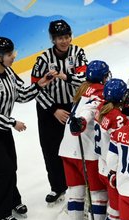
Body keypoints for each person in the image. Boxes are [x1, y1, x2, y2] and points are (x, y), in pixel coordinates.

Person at [0, 36, 56, 220]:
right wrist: (13, 122)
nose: (13, 56)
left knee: (11, 166)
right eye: (9, 54)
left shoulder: (8, 72)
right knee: (1, 171)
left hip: (0, 127)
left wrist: (40, 84)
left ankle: (12, 199)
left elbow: (22, 94)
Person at [31, 19, 88, 206]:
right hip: (49, 109)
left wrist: (65, 76)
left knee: (79, 147)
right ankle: (57, 186)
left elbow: (84, 81)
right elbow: (35, 89)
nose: (64, 41)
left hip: (74, 106)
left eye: (66, 36)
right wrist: (54, 110)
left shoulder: (78, 53)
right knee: (51, 149)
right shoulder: (43, 60)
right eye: (59, 38)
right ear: (52, 39)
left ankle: (82, 183)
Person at [59, 60, 111, 220]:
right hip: (86, 152)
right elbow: (88, 111)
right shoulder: (98, 92)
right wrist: (82, 121)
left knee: (76, 192)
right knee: (98, 195)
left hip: (67, 149)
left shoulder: (83, 89)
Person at [94, 78, 129, 220]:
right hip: (113, 170)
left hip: (102, 165)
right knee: (115, 211)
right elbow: (123, 141)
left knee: (112, 209)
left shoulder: (101, 108)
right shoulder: (117, 117)